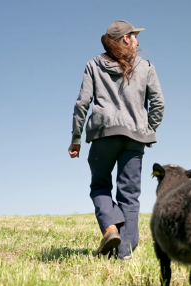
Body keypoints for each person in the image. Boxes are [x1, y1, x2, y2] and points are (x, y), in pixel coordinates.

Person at [69, 20, 165, 260]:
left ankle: (110, 228)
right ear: (125, 39)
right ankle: (124, 255)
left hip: (104, 135)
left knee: (100, 185)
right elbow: (159, 103)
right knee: (129, 195)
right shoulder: (146, 67)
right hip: (135, 137)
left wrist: (76, 138)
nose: (138, 41)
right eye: (134, 36)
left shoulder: (93, 65)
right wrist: (146, 128)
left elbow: (82, 103)